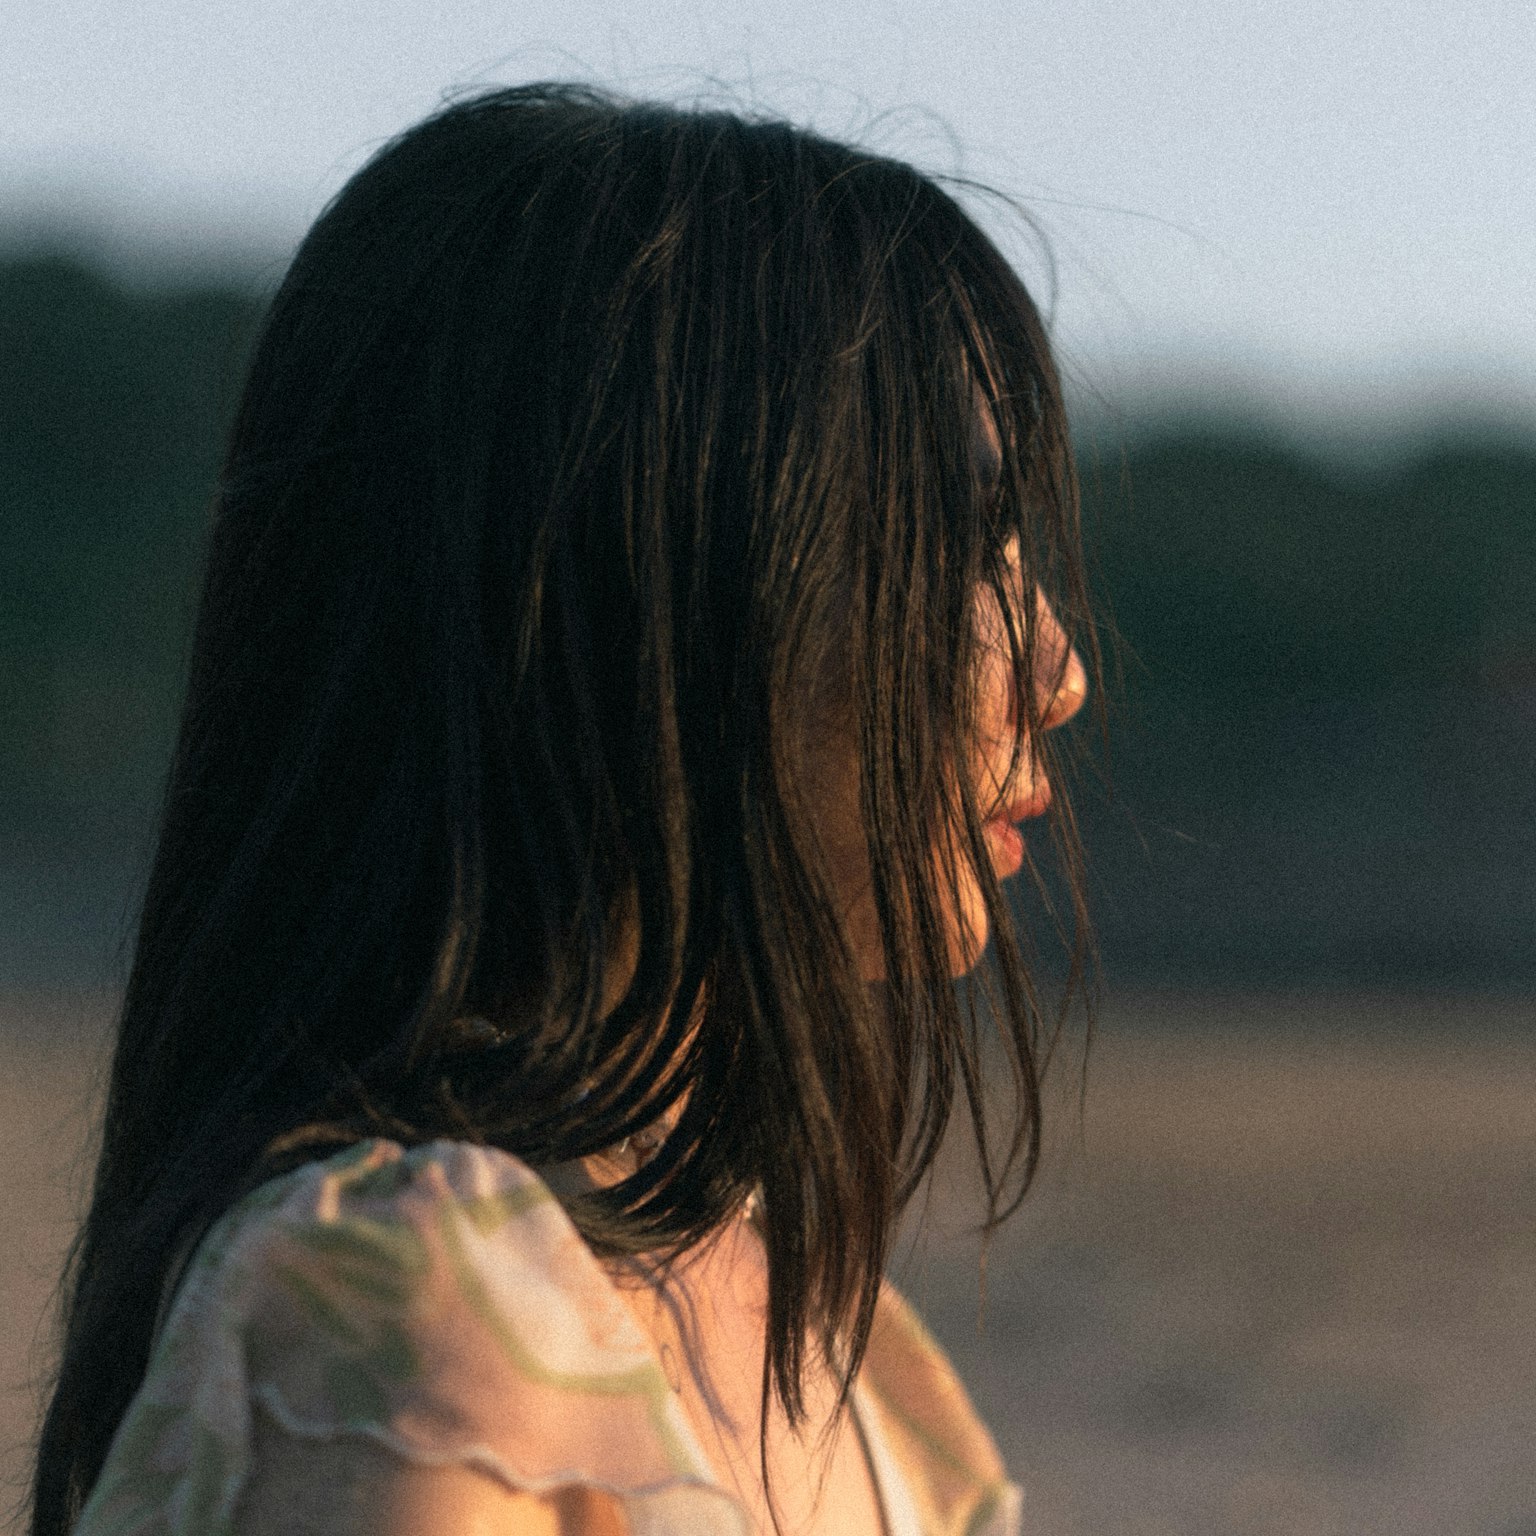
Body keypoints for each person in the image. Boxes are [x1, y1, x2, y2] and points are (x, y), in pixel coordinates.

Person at [29, 83, 1094, 1536]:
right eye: (959, 548)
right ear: (662, 592)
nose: (1058, 669)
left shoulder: (817, 1344)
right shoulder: (417, 1323)